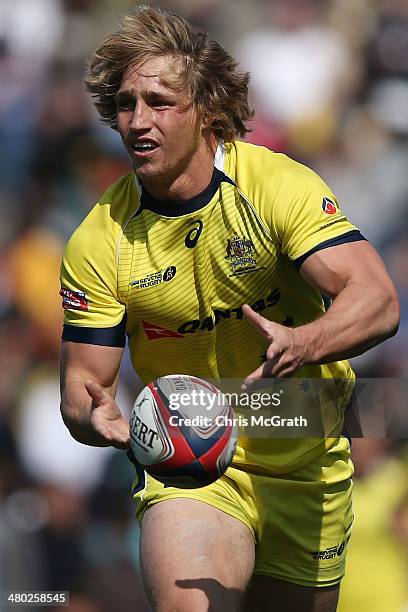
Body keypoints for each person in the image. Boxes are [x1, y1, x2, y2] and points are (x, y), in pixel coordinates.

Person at [59, 7, 399, 612]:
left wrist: (307, 341)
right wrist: (99, 421)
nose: (138, 121)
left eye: (159, 102)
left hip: (305, 440)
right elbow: (83, 387)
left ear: (208, 109)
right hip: (193, 461)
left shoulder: (276, 184)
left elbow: (377, 299)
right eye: (125, 104)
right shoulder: (97, 238)